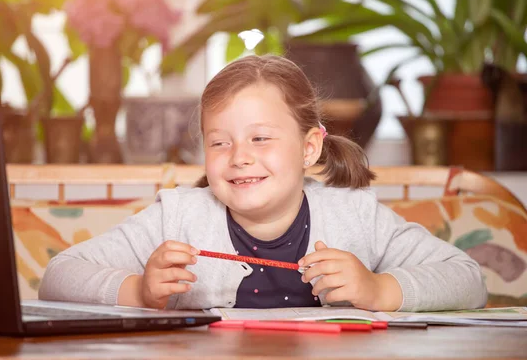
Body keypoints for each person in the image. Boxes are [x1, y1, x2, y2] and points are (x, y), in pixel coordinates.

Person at [39, 55, 487, 312]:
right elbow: (58, 277)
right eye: (219, 142)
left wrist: (378, 289)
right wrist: (136, 291)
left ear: (309, 148)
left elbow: (468, 280)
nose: (239, 157)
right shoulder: (177, 218)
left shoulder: (357, 216)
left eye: (260, 138)